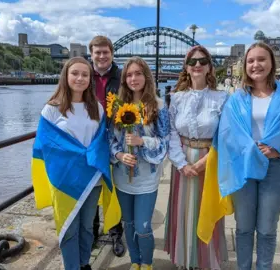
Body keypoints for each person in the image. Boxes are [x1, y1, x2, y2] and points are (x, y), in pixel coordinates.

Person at [201, 42, 280, 270]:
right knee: (243, 228)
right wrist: (247, 149)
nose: (255, 65)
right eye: (250, 61)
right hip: (244, 168)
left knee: (267, 229)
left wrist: (278, 149)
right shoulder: (237, 98)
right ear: (245, 66)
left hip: (276, 168)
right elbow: (227, 133)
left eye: (261, 59)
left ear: (271, 63)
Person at [32, 57, 120, 270]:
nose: (80, 78)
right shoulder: (52, 109)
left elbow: (100, 141)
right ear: (66, 76)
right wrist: (77, 155)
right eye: (75, 73)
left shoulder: (96, 108)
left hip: (91, 177)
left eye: (85, 74)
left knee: (88, 226)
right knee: (69, 227)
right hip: (65, 180)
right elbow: (45, 145)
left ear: (90, 79)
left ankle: (84, 263)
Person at [165, 45, 228, 269]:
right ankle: (184, 258)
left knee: (206, 208)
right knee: (183, 210)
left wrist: (205, 161)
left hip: (210, 160)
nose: (197, 65)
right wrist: (181, 163)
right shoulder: (176, 98)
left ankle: (206, 260)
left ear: (210, 67)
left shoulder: (221, 98)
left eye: (202, 61)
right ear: (187, 67)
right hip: (182, 159)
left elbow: (225, 136)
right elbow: (171, 132)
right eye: (192, 62)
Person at [109, 56, 170, 270]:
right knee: (129, 224)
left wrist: (141, 141)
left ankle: (147, 264)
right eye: (129, 75)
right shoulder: (117, 106)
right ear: (124, 79)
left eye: (138, 73)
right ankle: (135, 263)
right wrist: (119, 156)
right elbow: (111, 140)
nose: (133, 78)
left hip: (147, 177)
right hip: (123, 175)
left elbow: (165, 141)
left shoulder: (158, 106)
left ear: (146, 76)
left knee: (143, 226)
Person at [89, 35, 125, 256]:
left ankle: (115, 233)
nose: (102, 56)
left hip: (115, 141)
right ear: (91, 54)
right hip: (90, 141)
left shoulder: (121, 77)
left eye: (106, 52)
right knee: (90, 190)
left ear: (112, 53)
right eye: (97, 52)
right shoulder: (84, 76)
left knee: (114, 190)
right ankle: (92, 232)